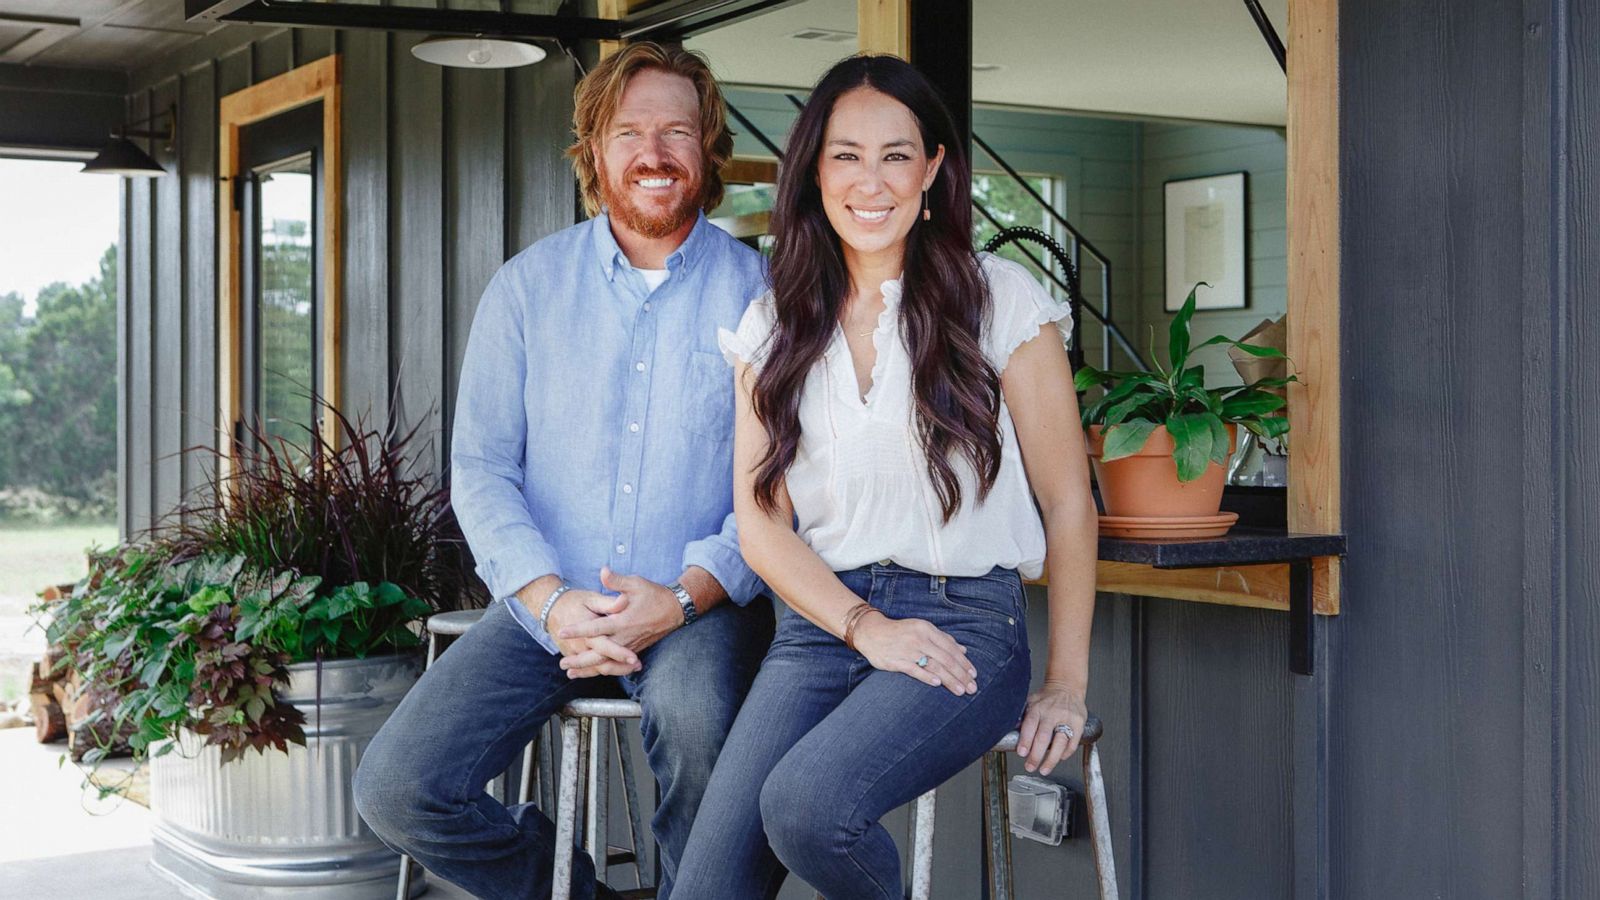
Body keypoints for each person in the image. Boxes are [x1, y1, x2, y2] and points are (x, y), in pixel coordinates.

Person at [665, 54, 1099, 899]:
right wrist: (861, 624)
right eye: (846, 155)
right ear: (813, 171)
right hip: (820, 627)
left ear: (933, 170)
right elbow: (760, 524)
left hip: (964, 621)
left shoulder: (1000, 302)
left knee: (807, 806)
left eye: (897, 154)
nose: (872, 181)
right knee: (706, 887)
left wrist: (1067, 684)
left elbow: (1067, 503)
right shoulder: (776, 322)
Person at [353, 43, 774, 900]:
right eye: (629, 132)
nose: (654, 154)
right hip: (547, 603)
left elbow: (782, 484)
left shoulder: (764, 294)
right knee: (399, 786)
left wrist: (689, 594)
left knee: (701, 735)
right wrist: (548, 599)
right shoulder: (526, 289)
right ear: (594, 151)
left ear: (708, 148)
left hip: (699, 606)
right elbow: (479, 466)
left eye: (677, 132)